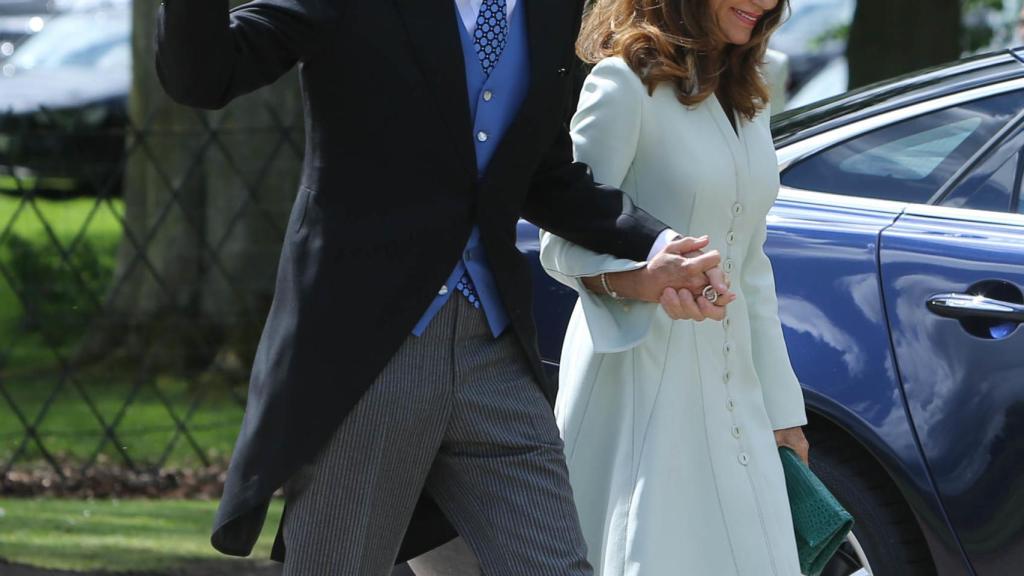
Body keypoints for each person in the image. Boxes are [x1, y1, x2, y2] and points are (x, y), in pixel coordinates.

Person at [154, 0, 730, 574]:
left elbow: (544, 174)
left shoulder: (554, 10)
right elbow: (203, 77)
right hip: (368, 354)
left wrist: (658, 246)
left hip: (494, 351)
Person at [540, 0, 810, 574]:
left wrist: (784, 412)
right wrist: (644, 280)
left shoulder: (748, 94)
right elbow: (557, 242)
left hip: (735, 388)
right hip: (642, 380)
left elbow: (751, 264)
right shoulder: (622, 82)